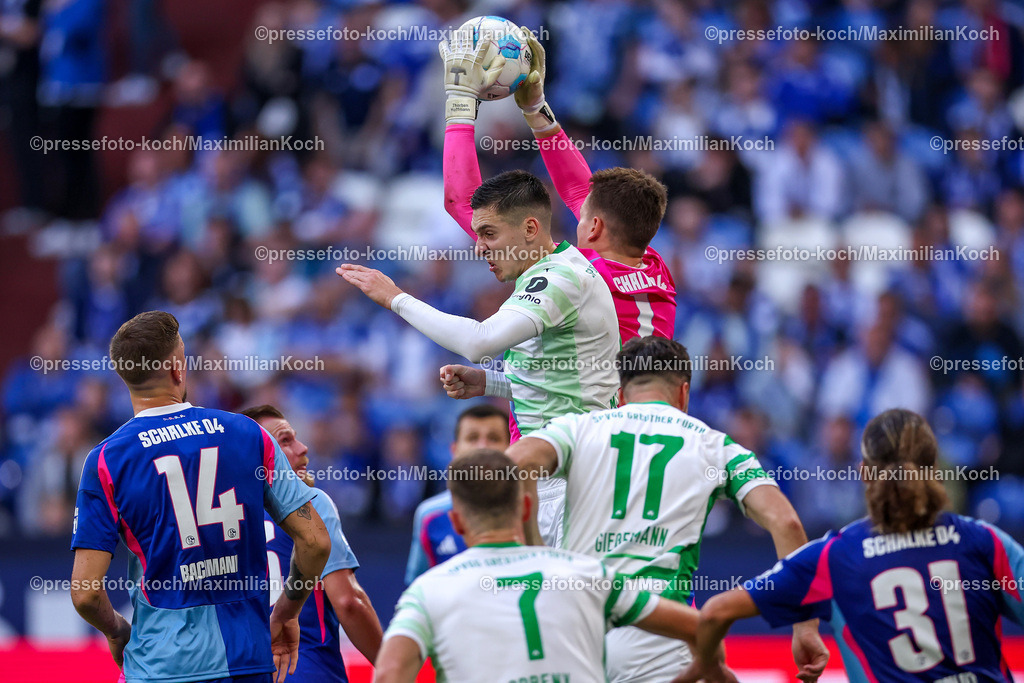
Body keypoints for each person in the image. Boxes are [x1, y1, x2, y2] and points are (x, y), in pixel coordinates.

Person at [507, 335, 829, 682]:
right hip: (660, 640)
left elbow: (511, 466)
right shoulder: (716, 447)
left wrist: (534, 552)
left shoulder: (578, 428)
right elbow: (787, 522)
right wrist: (804, 625)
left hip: (577, 631)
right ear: (684, 393)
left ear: (619, 395)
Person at [337, 170, 619, 546]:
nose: (479, 247)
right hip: (568, 470)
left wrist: (395, 298)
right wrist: (489, 382)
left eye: (489, 234)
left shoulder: (557, 279)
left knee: (569, 600)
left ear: (530, 229)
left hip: (573, 477)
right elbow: (563, 376)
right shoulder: (558, 271)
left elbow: (480, 341)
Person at [70, 311, 330, 683]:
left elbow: (85, 594)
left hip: (160, 665)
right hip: (248, 659)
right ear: (178, 368)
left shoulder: (107, 460)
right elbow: (316, 541)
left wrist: (118, 631)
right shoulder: (248, 433)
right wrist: (287, 612)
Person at [677, 408, 1024, 683]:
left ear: (864, 472)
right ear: (934, 468)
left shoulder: (837, 556)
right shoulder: (984, 541)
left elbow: (715, 613)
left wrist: (709, 669)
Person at [375, 450, 736, 683]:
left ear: (456, 522)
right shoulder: (587, 575)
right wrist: (707, 671)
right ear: (527, 509)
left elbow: (389, 673)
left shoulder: (429, 591)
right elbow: (701, 626)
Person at [440, 28, 677, 341]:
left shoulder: (575, 277)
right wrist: (537, 111)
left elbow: (463, 204)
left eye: (582, 215)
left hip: (607, 391)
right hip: (651, 386)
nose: (575, 213)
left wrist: (459, 102)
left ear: (594, 227)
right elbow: (582, 191)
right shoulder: (653, 266)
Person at [241, 404, 383, 682]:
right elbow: (349, 602)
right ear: (256, 459)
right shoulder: (310, 503)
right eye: (285, 441)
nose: (303, 447)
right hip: (307, 669)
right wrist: (395, 669)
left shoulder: (213, 522)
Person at [405, 404, 510, 584]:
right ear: (454, 450)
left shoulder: (529, 508)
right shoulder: (429, 515)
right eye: (472, 438)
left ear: (510, 448)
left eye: (493, 438)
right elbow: (416, 587)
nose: (483, 447)